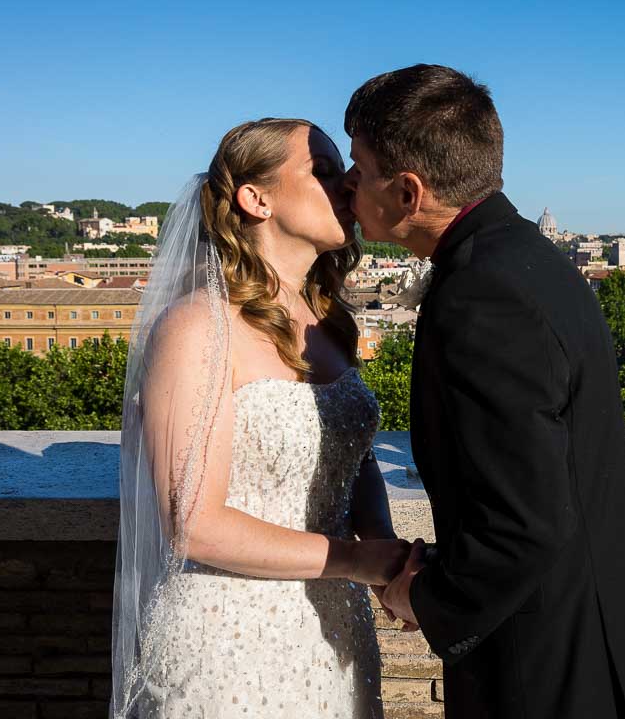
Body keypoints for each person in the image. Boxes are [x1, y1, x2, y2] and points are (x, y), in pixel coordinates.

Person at [341, 64, 625, 718]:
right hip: (588, 639)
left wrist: (422, 599)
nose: (347, 185)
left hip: (552, 665)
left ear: (408, 191)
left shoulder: (483, 293)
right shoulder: (521, 256)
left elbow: (522, 521)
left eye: (358, 168)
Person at [110, 118, 410, 718]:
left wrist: (384, 549)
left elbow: (353, 454)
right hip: (228, 639)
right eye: (322, 172)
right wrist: (355, 560)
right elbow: (195, 524)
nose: (348, 186)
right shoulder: (197, 328)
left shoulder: (328, 322)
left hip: (335, 628)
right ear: (256, 198)